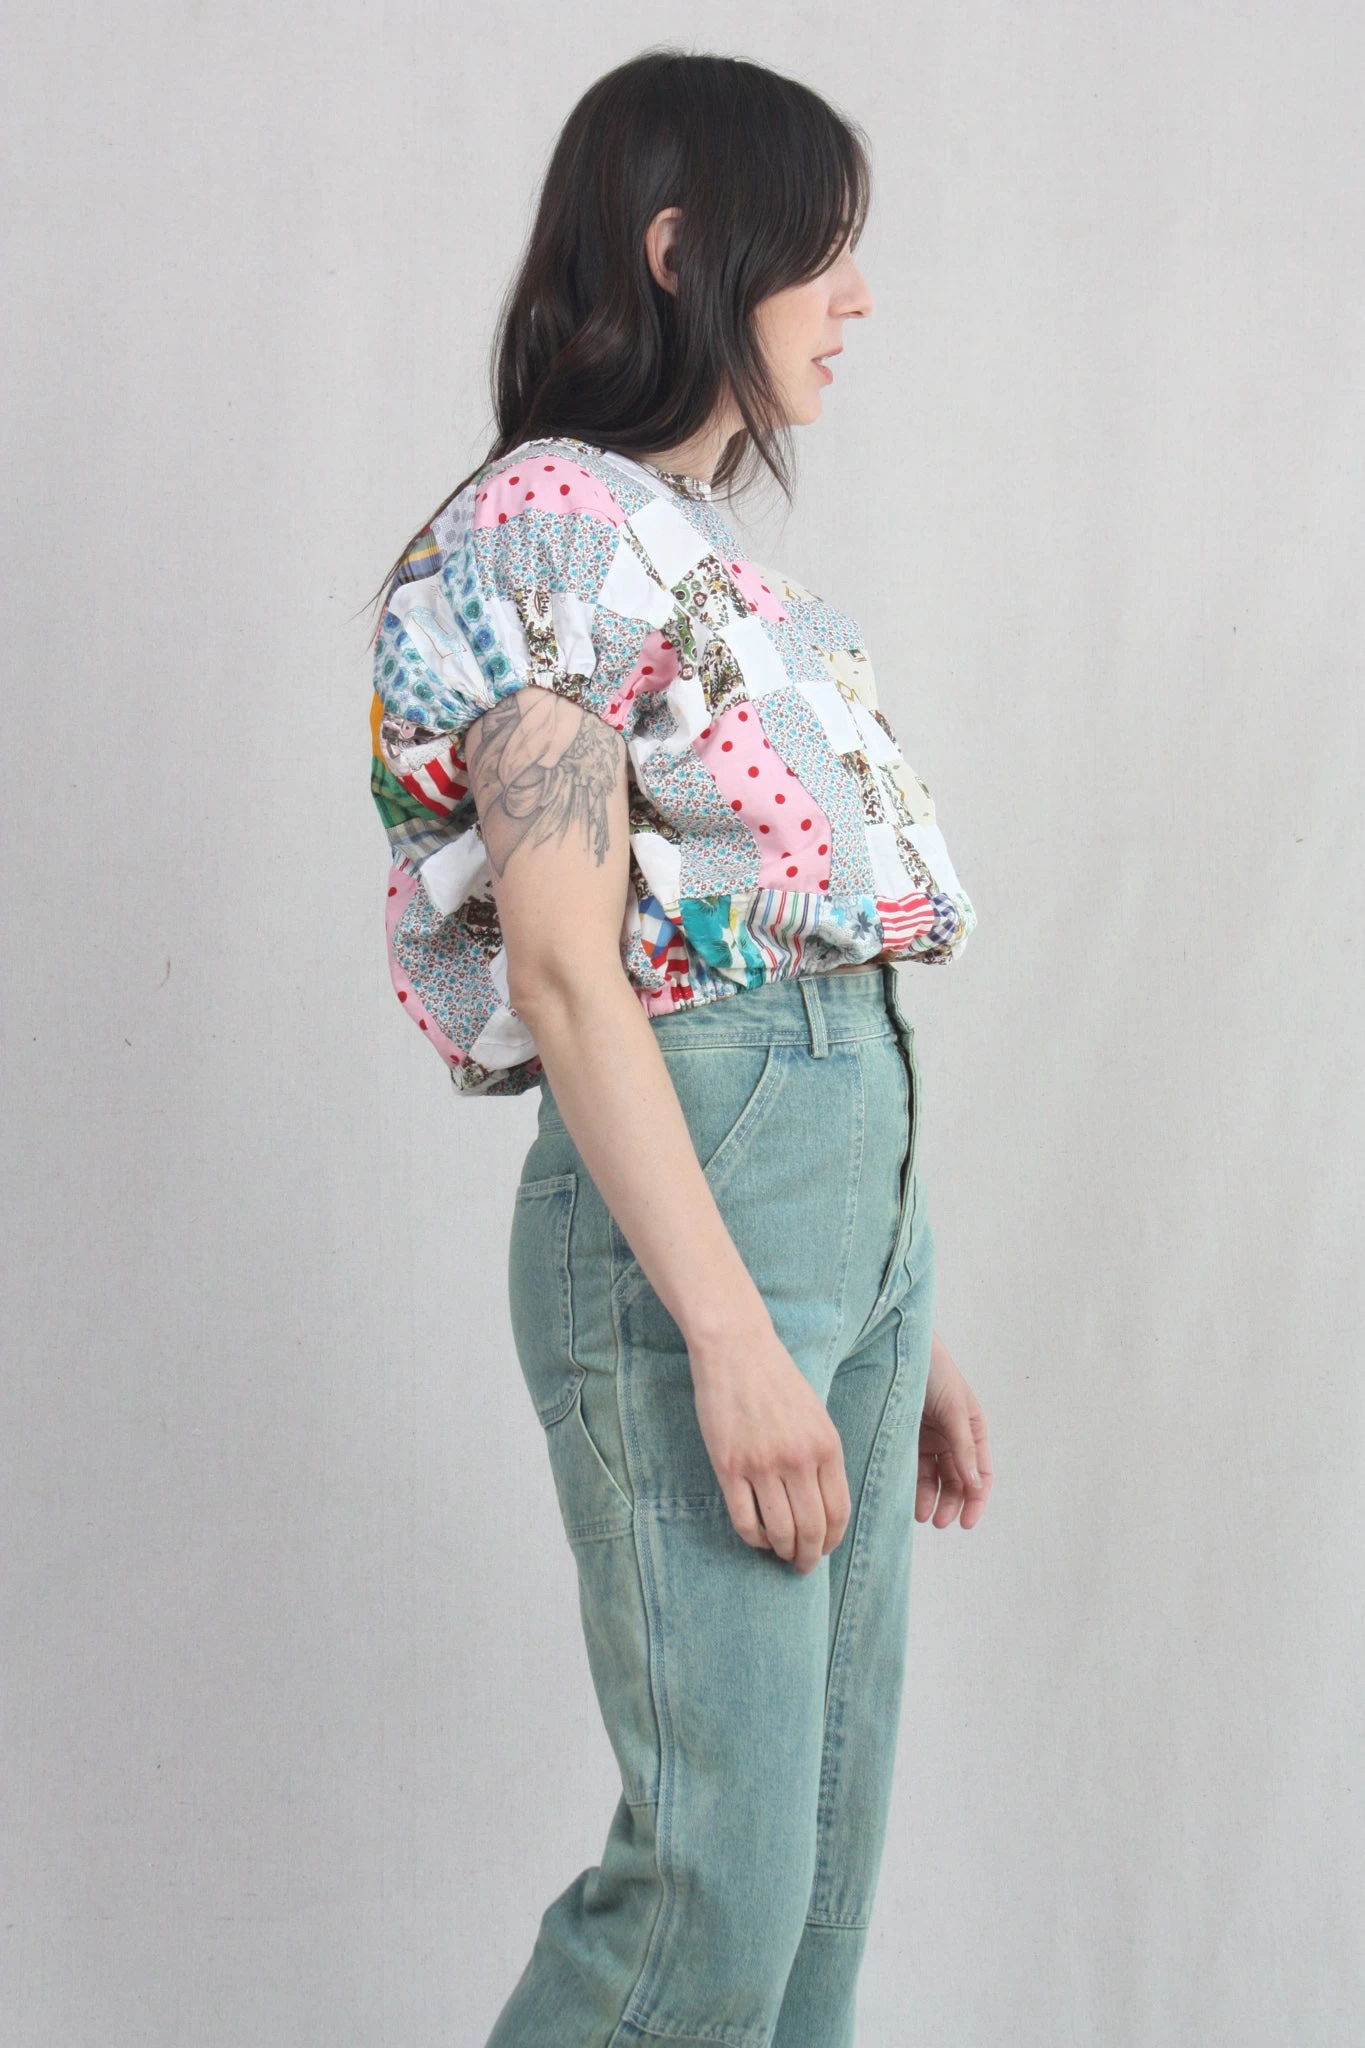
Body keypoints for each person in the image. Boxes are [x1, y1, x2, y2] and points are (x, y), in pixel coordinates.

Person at [366, 46, 994, 2048]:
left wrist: (897, 1300)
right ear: (678, 249)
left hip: (829, 1196)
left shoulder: (683, 550)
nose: (858, 298)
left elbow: (799, 946)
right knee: (713, 1895)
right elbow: (570, 975)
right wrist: (734, 1328)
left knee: (809, 1890)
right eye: (825, 247)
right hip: (701, 1207)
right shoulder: (546, 529)